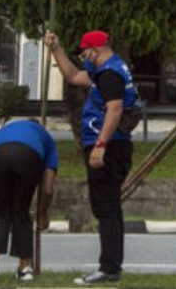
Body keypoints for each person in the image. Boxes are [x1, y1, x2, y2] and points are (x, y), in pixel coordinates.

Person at [45, 29, 137, 286]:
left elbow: (115, 109)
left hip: (109, 147)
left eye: (85, 53)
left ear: (96, 49)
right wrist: (56, 49)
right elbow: (73, 76)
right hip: (112, 146)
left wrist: (100, 145)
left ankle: (108, 268)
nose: (84, 57)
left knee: (106, 208)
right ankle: (111, 265)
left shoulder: (109, 74)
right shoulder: (107, 71)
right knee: (109, 208)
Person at [0, 119, 58, 283]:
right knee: (21, 212)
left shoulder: (3, 131)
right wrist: (42, 214)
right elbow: (48, 189)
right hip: (27, 155)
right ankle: (25, 269)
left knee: (2, 212)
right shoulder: (46, 138)